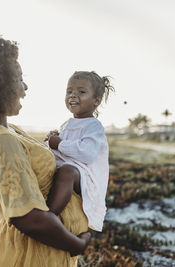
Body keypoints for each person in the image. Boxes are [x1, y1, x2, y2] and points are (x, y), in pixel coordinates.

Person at [0, 32, 90, 267]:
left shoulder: (2, 131)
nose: (25, 86)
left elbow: (20, 188)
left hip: (26, 246)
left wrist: (4, 209)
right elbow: (29, 220)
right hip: (28, 254)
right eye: (18, 79)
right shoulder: (0, 139)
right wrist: (77, 245)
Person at [45, 71, 114, 232]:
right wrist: (50, 141)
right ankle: (13, 208)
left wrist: (60, 144)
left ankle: (50, 215)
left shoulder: (93, 126)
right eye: (69, 91)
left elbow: (86, 153)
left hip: (86, 177)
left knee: (67, 171)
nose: (73, 95)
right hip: (70, 170)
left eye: (81, 92)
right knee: (39, 164)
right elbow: (59, 151)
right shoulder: (66, 124)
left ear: (96, 100)